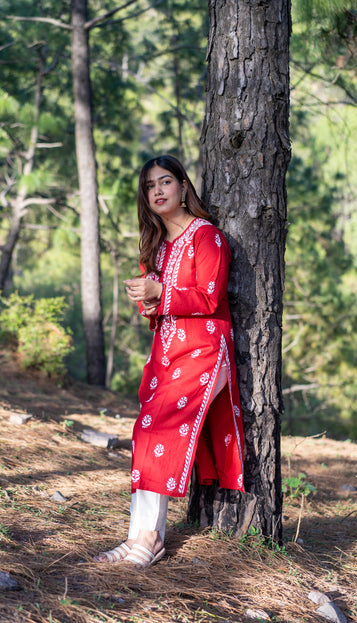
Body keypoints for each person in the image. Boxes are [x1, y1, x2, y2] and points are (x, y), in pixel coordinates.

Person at [94, 154, 244, 569]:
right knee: (145, 433)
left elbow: (211, 297)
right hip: (167, 356)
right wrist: (148, 300)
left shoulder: (206, 237)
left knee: (160, 433)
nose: (157, 191)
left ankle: (151, 540)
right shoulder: (158, 247)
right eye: (149, 186)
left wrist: (159, 293)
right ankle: (135, 537)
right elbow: (159, 309)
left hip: (205, 352)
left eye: (165, 182)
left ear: (182, 187)